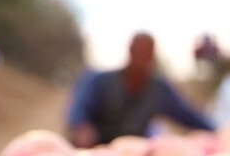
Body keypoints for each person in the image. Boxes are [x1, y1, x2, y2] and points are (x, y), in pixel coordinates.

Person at [67, 32, 215, 147]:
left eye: (147, 53)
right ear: (130, 51)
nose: (142, 59)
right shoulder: (100, 80)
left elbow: (188, 115)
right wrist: (82, 127)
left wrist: (217, 133)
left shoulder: (159, 90)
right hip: (97, 151)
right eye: (139, 51)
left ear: (152, 56)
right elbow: (79, 108)